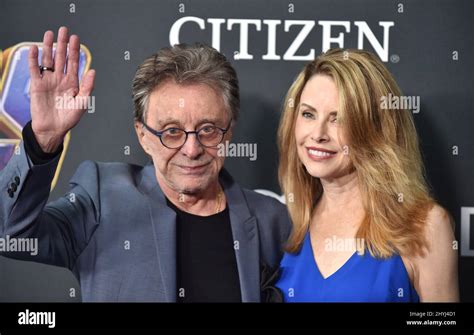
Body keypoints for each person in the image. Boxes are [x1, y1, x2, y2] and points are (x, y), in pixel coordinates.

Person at [0, 26, 290, 302]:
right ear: (142, 135)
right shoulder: (102, 199)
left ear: (230, 129)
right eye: (172, 132)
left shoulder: (272, 220)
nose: (191, 149)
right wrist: (43, 141)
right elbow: (12, 233)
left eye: (208, 129)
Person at [275, 48, 459, 302]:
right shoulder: (289, 223)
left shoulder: (425, 227)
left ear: (375, 129)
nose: (318, 133)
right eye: (308, 114)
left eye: (338, 119)